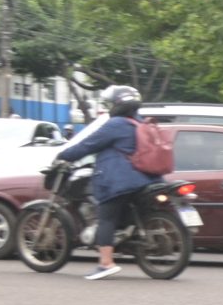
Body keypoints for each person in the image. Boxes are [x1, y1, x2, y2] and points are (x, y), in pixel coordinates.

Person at [53, 84, 153, 280]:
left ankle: (106, 263)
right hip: (143, 179)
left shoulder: (115, 124)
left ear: (117, 105)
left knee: (106, 217)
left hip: (119, 179)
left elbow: (88, 145)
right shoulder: (139, 123)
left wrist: (64, 155)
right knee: (117, 213)